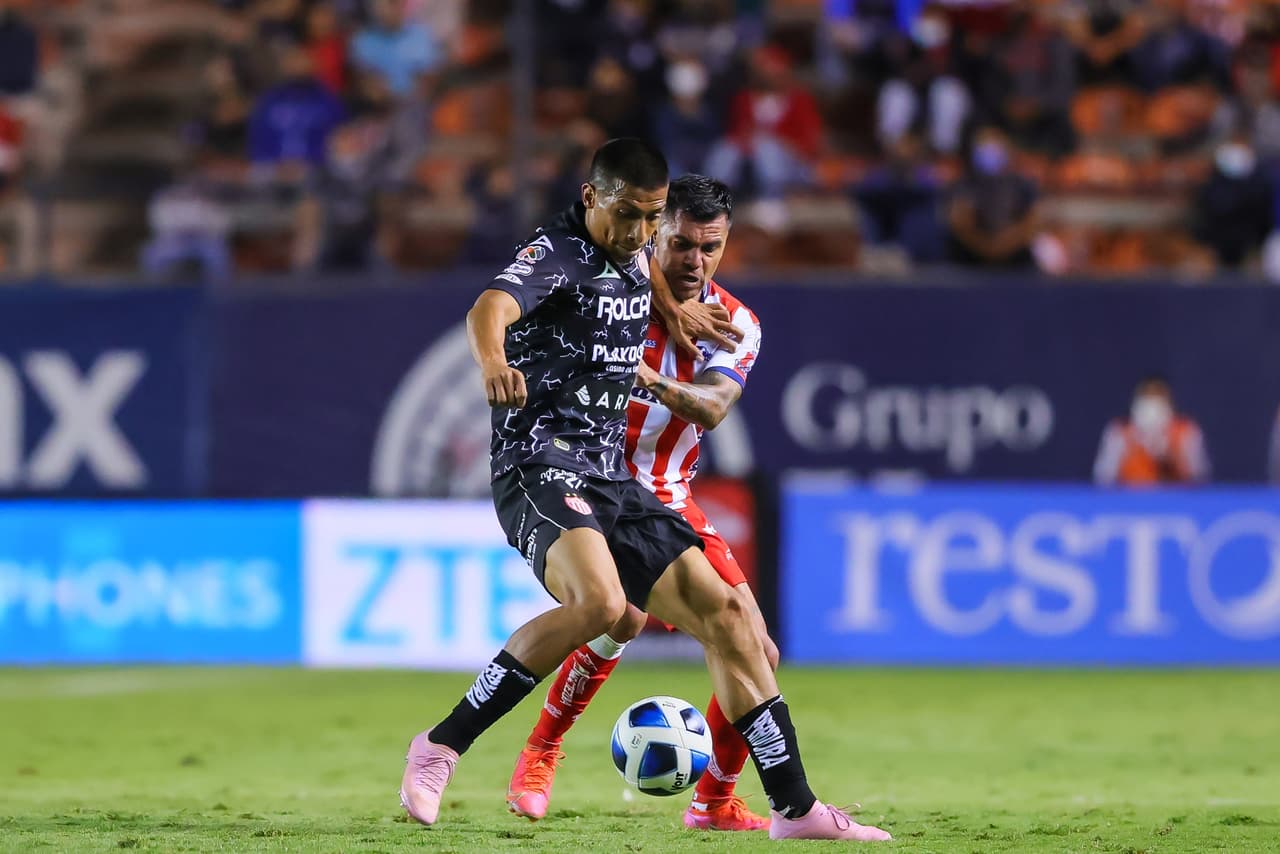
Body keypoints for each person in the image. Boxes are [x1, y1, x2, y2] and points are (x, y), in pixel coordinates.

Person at [397, 139, 891, 842]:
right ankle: (444, 744)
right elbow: (490, 306)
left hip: (618, 478)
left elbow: (647, 281)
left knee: (732, 623)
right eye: (638, 221)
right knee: (605, 607)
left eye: (651, 223)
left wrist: (675, 307)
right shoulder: (558, 252)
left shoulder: (662, 269)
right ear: (595, 197)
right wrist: (493, 361)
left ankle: (793, 808)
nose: (643, 237)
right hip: (541, 460)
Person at [506, 175, 773, 832]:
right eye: (682, 244)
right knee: (618, 615)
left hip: (668, 496)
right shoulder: (609, 292)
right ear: (657, 233)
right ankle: (540, 752)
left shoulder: (736, 323)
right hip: (588, 481)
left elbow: (711, 408)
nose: (696, 261)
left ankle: (714, 801)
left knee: (757, 652)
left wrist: (648, 375)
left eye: (710, 247)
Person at [1093, 375, 1210, 486]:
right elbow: (1103, 478)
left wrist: (1171, 456)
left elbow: (1200, 476)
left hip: (1176, 501)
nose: (1153, 402)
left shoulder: (1186, 430)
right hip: (1131, 501)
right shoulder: (1119, 431)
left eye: (1158, 396)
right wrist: (1130, 449)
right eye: (1147, 395)